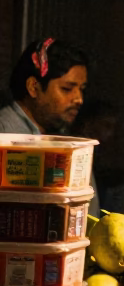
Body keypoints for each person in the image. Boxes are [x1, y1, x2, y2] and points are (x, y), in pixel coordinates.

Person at [0, 37, 99, 216]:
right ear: (34, 87)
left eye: (81, 89)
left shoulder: (62, 138)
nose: (79, 99)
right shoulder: (5, 135)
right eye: (67, 89)